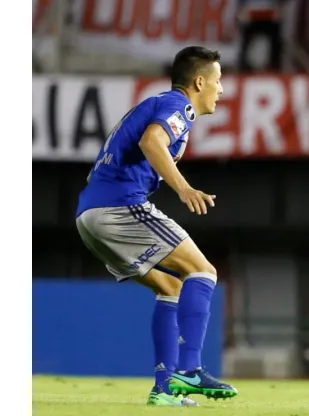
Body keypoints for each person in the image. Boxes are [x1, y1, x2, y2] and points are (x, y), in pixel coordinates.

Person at [75, 46, 237, 407]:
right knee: (204, 271)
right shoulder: (179, 106)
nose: (221, 89)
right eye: (218, 81)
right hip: (118, 206)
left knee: (171, 285)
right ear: (199, 82)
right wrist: (184, 188)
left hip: (89, 216)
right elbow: (152, 140)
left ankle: (164, 390)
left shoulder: (159, 103)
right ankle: (191, 369)